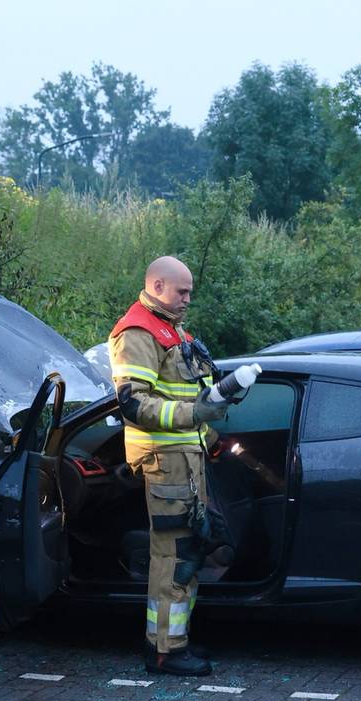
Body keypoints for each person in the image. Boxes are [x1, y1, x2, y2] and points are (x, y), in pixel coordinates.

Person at [109, 256, 229, 677]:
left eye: (190, 292)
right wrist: (195, 414)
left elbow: (186, 389)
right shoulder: (138, 332)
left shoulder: (171, 328)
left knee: (188, 551)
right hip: (165, 464)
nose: (187, 300)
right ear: (157, 285)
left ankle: (171, 640)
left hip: (185, 459)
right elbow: (133, 404)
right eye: (182, 292)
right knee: (174, 556)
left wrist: (213, 434)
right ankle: (164, 651)